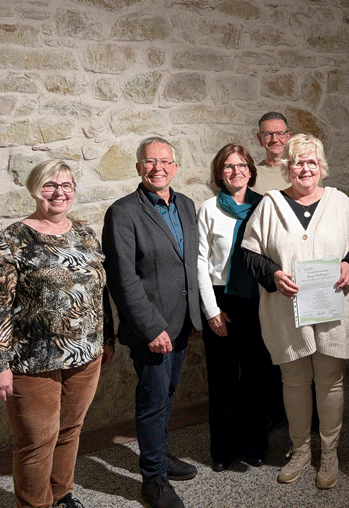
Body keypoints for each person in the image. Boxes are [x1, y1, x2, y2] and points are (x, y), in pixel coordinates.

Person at [0, 160, 114, 508]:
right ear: (35, 189)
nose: (59, 192)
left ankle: (62, 496)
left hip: (85, 356)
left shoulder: (84, 233)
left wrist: (106, 340)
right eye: (51, 185)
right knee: (36, 443)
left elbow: (98, 293)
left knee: (69, 433)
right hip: (31, 361)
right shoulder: (11, 239)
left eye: (66, 185)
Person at [241, 133, 349, 489]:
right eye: (297, 162)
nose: (304, 169)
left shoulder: (339, 203)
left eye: (311, 162)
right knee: (293, 381)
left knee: (330, 380)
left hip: (330, 308)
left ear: (321, 166)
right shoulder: (270, 204)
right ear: (286, 168)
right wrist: (274, 274)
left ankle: (329, 452)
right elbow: (250, 254)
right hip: (286, 310)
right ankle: (300, 450)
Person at [102, 137, 202, 508]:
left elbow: (191, 263)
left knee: (168, 394)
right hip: (152, 330)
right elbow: (122, 278)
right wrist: (151, 328)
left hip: (182, 324)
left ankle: (159, 454)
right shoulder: (123, 212)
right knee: (152, 401)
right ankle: (153, 479)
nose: (157, 168)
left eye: (164, 161)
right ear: (139, 168)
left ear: (175, 167)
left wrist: (194, 313)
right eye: (149, 161)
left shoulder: (186, 205)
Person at [197, 144, 277, 472]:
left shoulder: (266, 206)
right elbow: (200, 263)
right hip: (221, 300)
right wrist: (211, 310)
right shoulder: (208, 209)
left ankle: (255, 445)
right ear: (220, 172)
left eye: (241, 165)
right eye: (228, 166)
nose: (236, 171)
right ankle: (223, 450)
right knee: (223, 379)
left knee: (258, 378)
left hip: (259, 299)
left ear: (250, 170)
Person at [255, 111, 293, 194]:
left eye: (280, 133)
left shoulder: (301, 171)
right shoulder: (251, 174)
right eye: (268, 134)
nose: (275, 140)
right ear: (260, 138)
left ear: (288, 137)